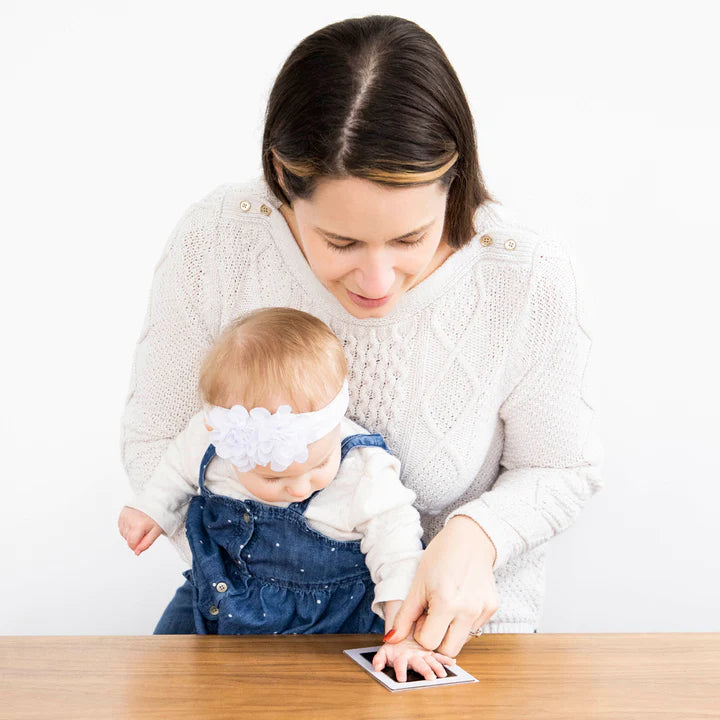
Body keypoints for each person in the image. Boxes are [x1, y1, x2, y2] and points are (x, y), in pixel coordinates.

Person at [120, 15, 603, 665]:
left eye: (410, 238)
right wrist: (266, 584)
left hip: (451, 642)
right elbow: (160, 441)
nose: (377, 281)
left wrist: (479, 534)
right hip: (241, 627)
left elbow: (563, 467)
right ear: (281, 186)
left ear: (453, 181)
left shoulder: (524, 273)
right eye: (340, 242)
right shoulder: (220, 241)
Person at [118, 307, 455, 680]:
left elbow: (398, 551)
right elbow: (177, 469)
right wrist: (152, 508)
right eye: (273, 480)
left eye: (317, 466)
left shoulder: (363, 470)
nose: (298, 487)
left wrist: (403, 634)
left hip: (328, 622)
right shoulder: (212, 436)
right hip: (215, 598)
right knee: (159, 675)